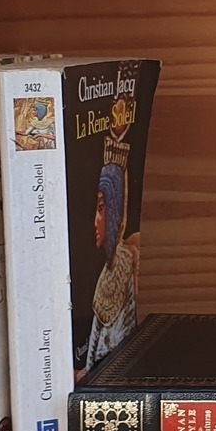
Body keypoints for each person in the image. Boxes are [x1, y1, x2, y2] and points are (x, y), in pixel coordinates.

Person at [82, 125, 139, 371]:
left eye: (102, 208)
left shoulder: (130, 263)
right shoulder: (104, 275)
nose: (96, 220)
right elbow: (95, 337)